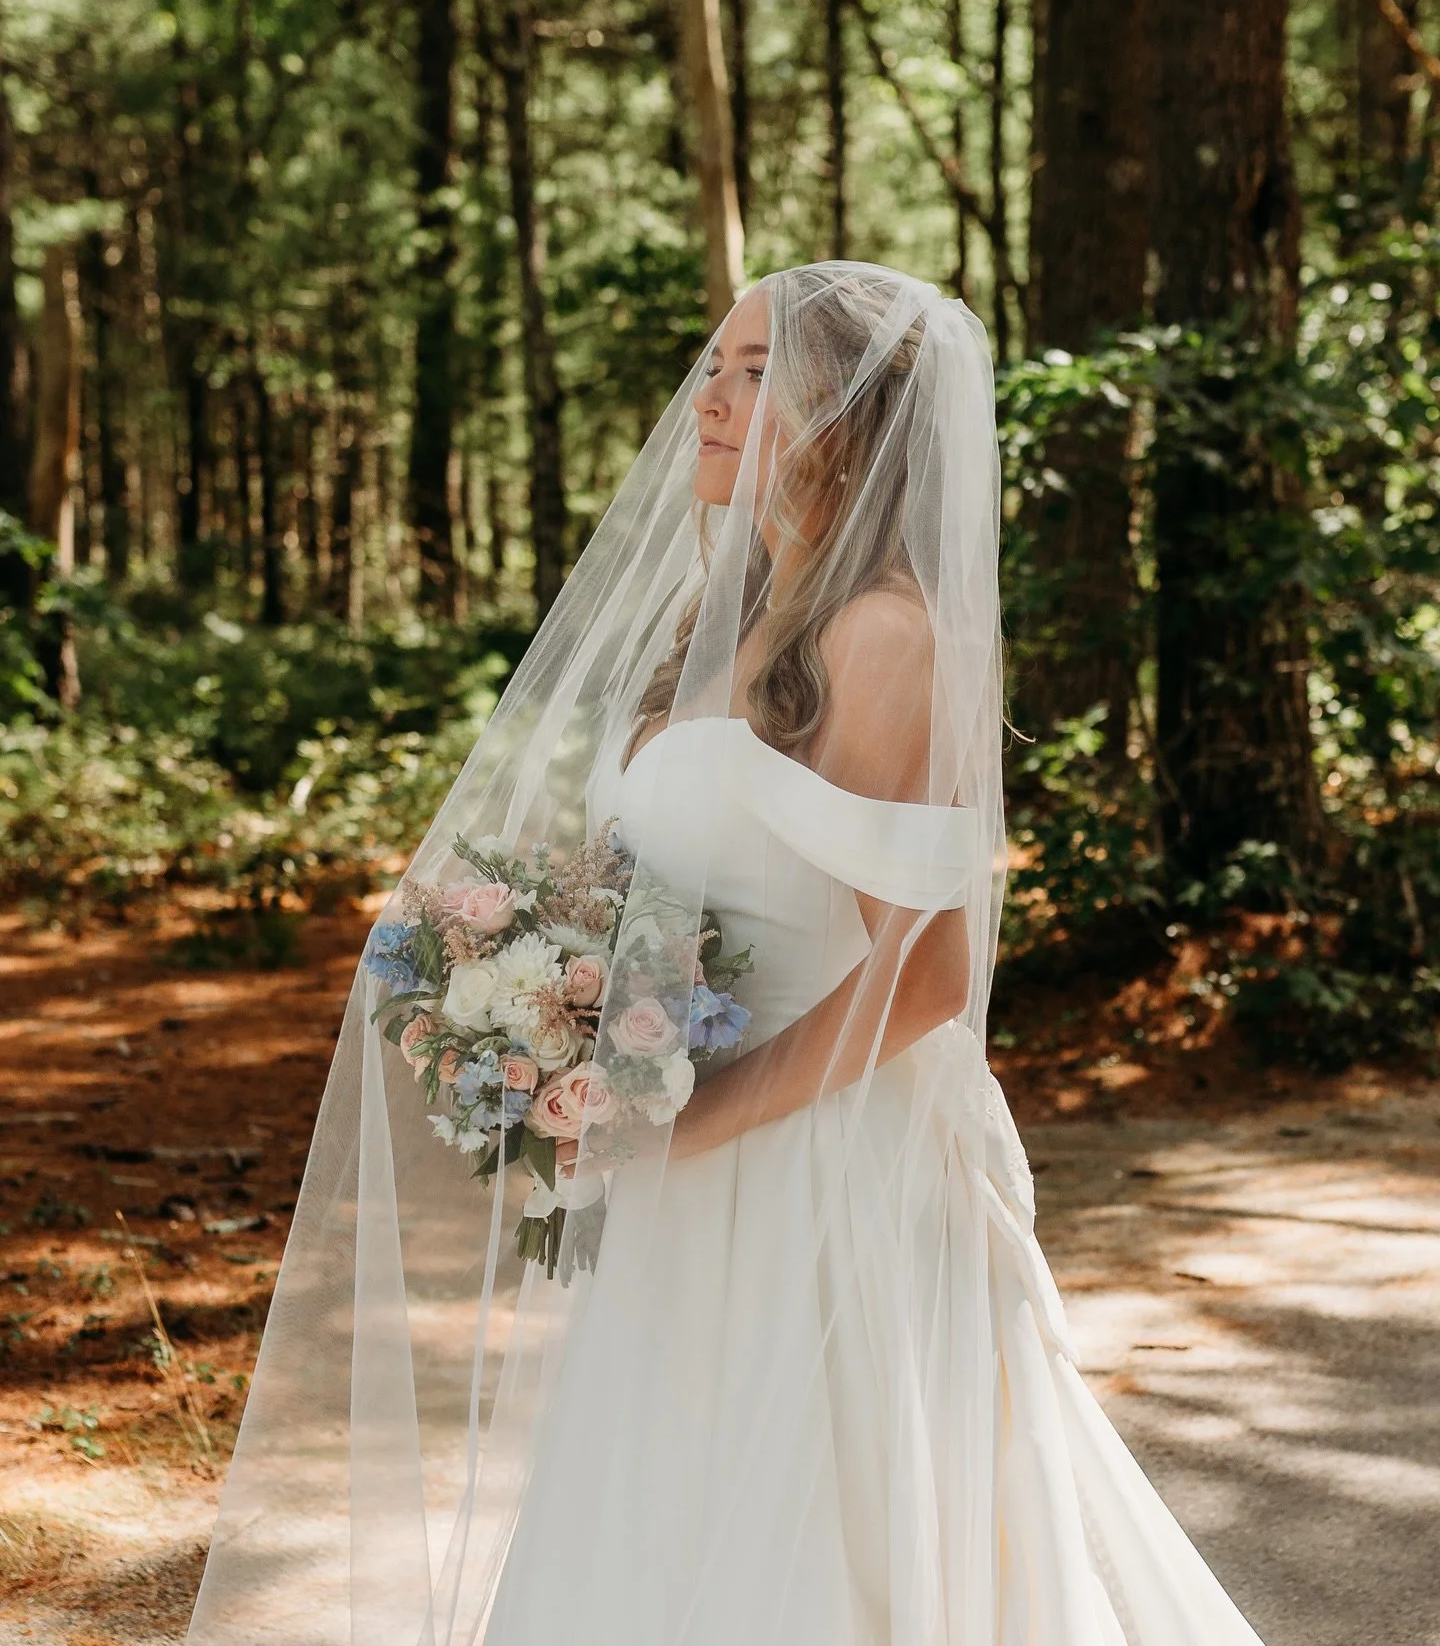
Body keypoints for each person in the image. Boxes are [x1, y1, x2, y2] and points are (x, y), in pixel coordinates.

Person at [186, 262, 1266, 1646]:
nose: (711, 393)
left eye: (757, 372)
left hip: (826, 1183)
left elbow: (928, 976)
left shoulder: (884, 640)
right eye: (716, 364)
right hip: (686, 1186)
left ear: (852, 421)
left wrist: (701, 1120)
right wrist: (552, 1024)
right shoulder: (721, 628)